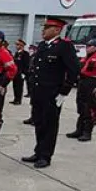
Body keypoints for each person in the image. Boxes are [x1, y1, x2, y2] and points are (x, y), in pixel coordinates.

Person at [21, 18, 80, 168]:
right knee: (39, 123)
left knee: (50, 125)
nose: (43, 30)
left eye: (47, 27)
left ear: (57, 30)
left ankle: (46, 156)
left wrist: (63, 92)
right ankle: (38, 151)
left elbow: (73, 70)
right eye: (44, 27)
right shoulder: (42, 46)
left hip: (52, 93)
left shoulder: (64, 46)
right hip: (38, 92)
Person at [11, 39, 31, 105]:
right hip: (15, 73)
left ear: (22, 45)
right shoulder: (17, 53)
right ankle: (15, 98)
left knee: (19, 87)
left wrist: (24, 73)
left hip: (21, 73)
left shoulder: (25, 54)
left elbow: (26, 64)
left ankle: (18, 100)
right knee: (15, 86)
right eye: (16, 44)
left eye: (18, 45)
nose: (16, 46)